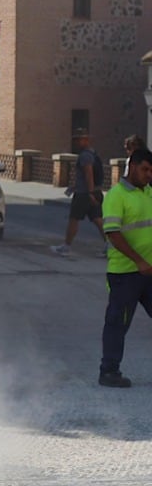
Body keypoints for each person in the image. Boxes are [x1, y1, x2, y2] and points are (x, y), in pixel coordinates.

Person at [97, 147, 152, 387]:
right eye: (145, 169)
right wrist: (138, 260)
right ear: (132, 166)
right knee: (117, 323)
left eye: (151, 171)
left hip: (149, 272)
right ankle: (108, 372)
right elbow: (113, 234)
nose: (149, 175)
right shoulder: (116, 195)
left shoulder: (149, 193)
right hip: (125, 274)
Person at [53, 129, 106, 258]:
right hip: (93, 191)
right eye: (75, 139)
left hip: (84, 194)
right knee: (98, 220)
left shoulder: (85, 156)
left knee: (74, 219)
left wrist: (90, 192)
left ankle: (66, 247)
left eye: (78, 139)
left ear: (86, 140)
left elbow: (89, 174)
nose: (76, 142)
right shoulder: (94, 154)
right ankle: (110, 245)